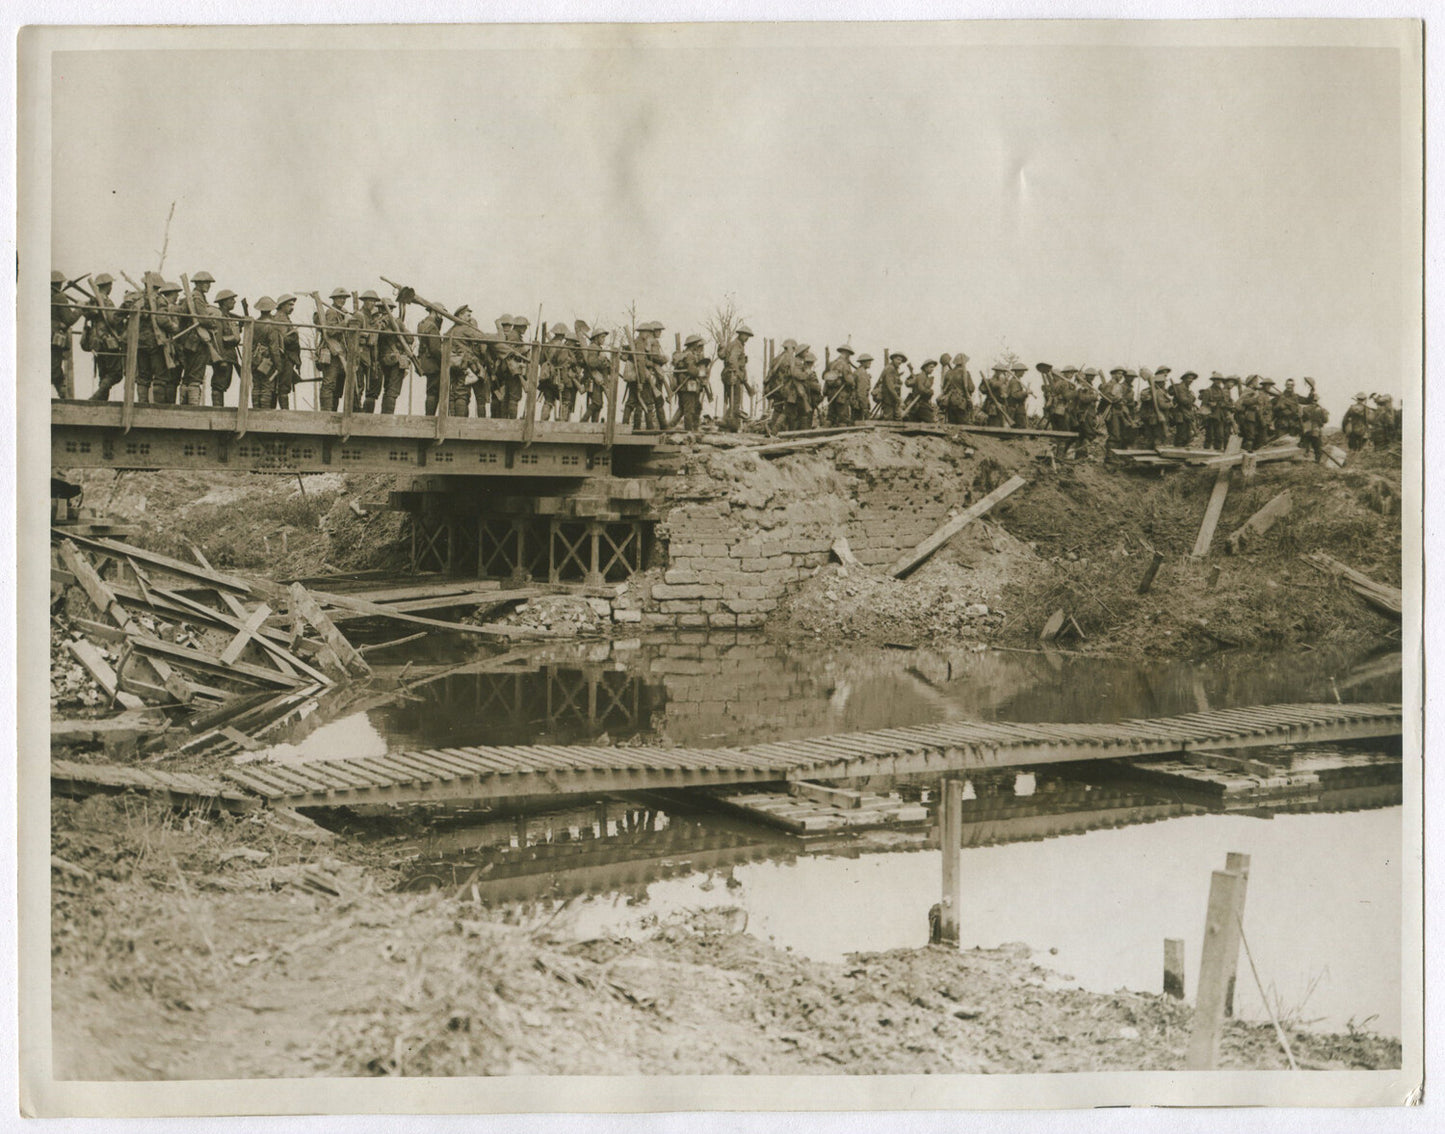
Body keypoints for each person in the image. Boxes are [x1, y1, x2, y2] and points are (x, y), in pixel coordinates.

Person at [82, 273, 126, 401]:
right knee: (116, 373)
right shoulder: (105, 300)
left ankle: (101, 402)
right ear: (107, 286)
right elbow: (112, 320)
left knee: (104, 373)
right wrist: (122, 314)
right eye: (111, 285)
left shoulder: (94, 300)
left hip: (97, 341)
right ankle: (96, 398)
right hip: (107, 340)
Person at [373, 297, 414, 414]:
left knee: (386, 390)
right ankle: (387, 417)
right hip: (395, 360)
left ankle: (384, 416)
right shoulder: (397, 322)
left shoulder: (375, 322)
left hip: (381, 360)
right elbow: (410, 338)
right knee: (392, 391)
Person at [316, 288, 353, 411]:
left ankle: (333, 413)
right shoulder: (332, 312)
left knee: (337, 386)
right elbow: (330, 331)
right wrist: (345, 322)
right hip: (332, 353)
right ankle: (326, 414)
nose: (342, 300)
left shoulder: (343, 312)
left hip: (341, 354)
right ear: (334, 299)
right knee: (329, 383)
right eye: (339, 298)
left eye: (344, 298)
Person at [50, 270, 82, 397]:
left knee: (52, 368)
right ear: (59, 283)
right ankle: (64, 398)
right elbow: (69, 319)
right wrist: (79, 308)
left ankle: (64, 396)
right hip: (53, 338)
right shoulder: (60, 297)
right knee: (55, 369)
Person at [209, 289, 242, 407]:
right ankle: (217, 410)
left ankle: (219, 409)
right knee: (219, 383)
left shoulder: (227, 317)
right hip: (223, 356)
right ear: (223, 302)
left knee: (224, 383)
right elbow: (218, 339)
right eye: (231, 299)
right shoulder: (220, 317)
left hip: (229, 356)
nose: (234, 301)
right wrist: (221, 359)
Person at [718, 324, 754, 431]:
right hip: (733, 375)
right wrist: (739, 375)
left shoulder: (732, 344)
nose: (747, 338)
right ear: (741, 335)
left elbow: (722, 355)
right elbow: (732, 360)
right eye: (745, 335)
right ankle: (727, 422)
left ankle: (726, 424)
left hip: (728, 374)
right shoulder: (737, 345)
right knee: (735, 402)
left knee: (733, 401)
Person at [249, 296, 281, 408]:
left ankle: (255, 412)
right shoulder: (271, 325)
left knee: (256, 385)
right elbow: (274, 348)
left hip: (254, 358)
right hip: (267, 359)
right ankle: (263, 414)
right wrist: (278, 364)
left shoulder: (253, 324)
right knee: (267, 386)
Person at [673, 332, 710, 430]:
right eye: (698, 345)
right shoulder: (689, 356)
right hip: (687, 386)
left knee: (692, 407)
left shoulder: (686, 355)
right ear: (694, 345)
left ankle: (671, 426)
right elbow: (691, 370)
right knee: (689, 410)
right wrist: (701, 372)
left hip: (687, 386)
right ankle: (689, 431)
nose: (699, 347)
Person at [581, 327, 611, 423]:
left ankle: (595, 424)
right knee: (597, 403)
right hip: (594, 379)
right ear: (596, 338)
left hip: (599, 380)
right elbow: (592, 363)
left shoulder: (597, 348)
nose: (603, 339)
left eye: (604, 337)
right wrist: (602, 361)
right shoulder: (593, 348)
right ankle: (583, 422)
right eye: (602, 337)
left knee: (599, 404)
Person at [822, 344, 857, 426]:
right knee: (843, 418)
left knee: (830, 416)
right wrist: (853, 380)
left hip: (831, 394)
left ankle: (826, 432)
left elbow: (824, 375)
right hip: (841, 394)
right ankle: (843, 437)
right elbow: (849, 381)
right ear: (847, 354)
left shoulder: (831, 363)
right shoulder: (845, 365)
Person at [940, 353, 975, 425]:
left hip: (950, 403)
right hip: (961, 403)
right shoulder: (965, 373)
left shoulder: (948, 373)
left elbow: (944, 388)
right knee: (964, 425)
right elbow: (971, 388)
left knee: (951, 425)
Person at [1200, 373, 1232, 450]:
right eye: (1216, 380)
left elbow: (1225, 402)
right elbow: (1203, 405)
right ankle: (1205, 453)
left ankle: (1217, 452)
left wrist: (1224, 405)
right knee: (1209, 437)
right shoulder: (1208, 391)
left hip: (1220, 416)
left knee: (1220, 436)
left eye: (1220, 380)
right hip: (1210, 416)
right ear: (1213, 380)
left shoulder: (1221, 391)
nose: (1218, 381)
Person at [1299, 387, 1328, 462]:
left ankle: (1304, 461)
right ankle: (1317, 461)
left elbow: (1301, 419)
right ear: (1317, 400)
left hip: (1306, 431)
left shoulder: (1305, 409)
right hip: (1316, 430)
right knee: (1317, 447)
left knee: (1305, 447)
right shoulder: (1320, 409)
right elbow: (1325, 420)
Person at [1169, 371, 1199, 446]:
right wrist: (1192, 397)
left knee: (1186, 435)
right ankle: (1178, 452)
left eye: (1192, 379)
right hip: (1181, 414)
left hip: (1185, 414)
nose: (1191, 380)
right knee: (1181, 435)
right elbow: (1184, 401)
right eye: (1189, 378)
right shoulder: (1181, 387)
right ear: (1184, 379)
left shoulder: (1186, 388)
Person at [874, 351, 904, 421]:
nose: (900, 362)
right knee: (889, 419)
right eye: (898, 359)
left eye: (901, 360)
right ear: (893, 359)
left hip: (892, 399)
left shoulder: (894, 369)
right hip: (888, 398)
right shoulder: (890, 368)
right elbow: (890, 386)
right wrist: (898, 398)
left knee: (895, 418)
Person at [905, 358, 937, 423]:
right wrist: (930, 391)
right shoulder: (922, 376)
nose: (932, 369)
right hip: (920, 405)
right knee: (933, 422)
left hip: (921, 405)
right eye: (931, 367)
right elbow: (921, 389)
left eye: (933, 367)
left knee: (914, 424)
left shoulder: (925, 376)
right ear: (925, 367)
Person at [1006, 363, 1029, 427]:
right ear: (1018, 371)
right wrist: (1026, 393)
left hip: (1018, 409)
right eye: (1022, 371)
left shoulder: (1016, 381)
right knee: (1020, 428)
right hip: (1017, 410)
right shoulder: (1014, 381)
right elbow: (1015, 394)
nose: (1024, 373)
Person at [852, 353, 874, 421]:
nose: (870, 362)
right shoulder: (862, 373)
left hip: (856, 401)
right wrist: (864, 407)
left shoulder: (858, 371)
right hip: (859, 403)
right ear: (863, 362)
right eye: (868, 361)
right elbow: (861, 392)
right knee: (859, 422)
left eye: (870, 361)